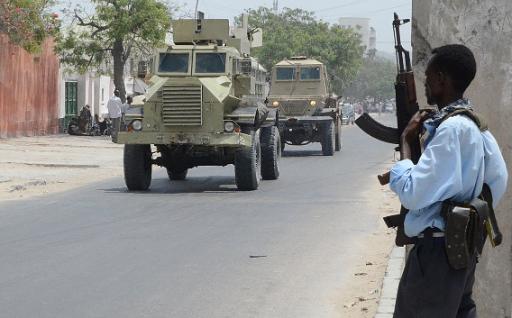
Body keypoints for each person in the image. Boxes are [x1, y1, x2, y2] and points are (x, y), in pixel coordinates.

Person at [389, 44, 508, 317]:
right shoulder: (473, 123)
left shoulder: (452, 128)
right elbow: (499, 178)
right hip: (459, 252)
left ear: (442, 78)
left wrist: (406, 143)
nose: (426, 85)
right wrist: (468, 214)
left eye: (428, 78)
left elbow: (412, 194)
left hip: (436, 255)